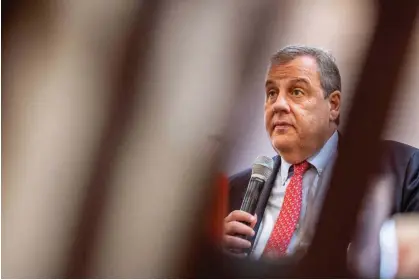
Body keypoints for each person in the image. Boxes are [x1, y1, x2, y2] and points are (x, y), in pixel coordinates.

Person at [222, 45, 419, 278]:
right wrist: (218, 258)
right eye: (272, 93)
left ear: (333, 105)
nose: (278, 105)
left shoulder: (403, 168)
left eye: (296, 92)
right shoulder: (235, 190)